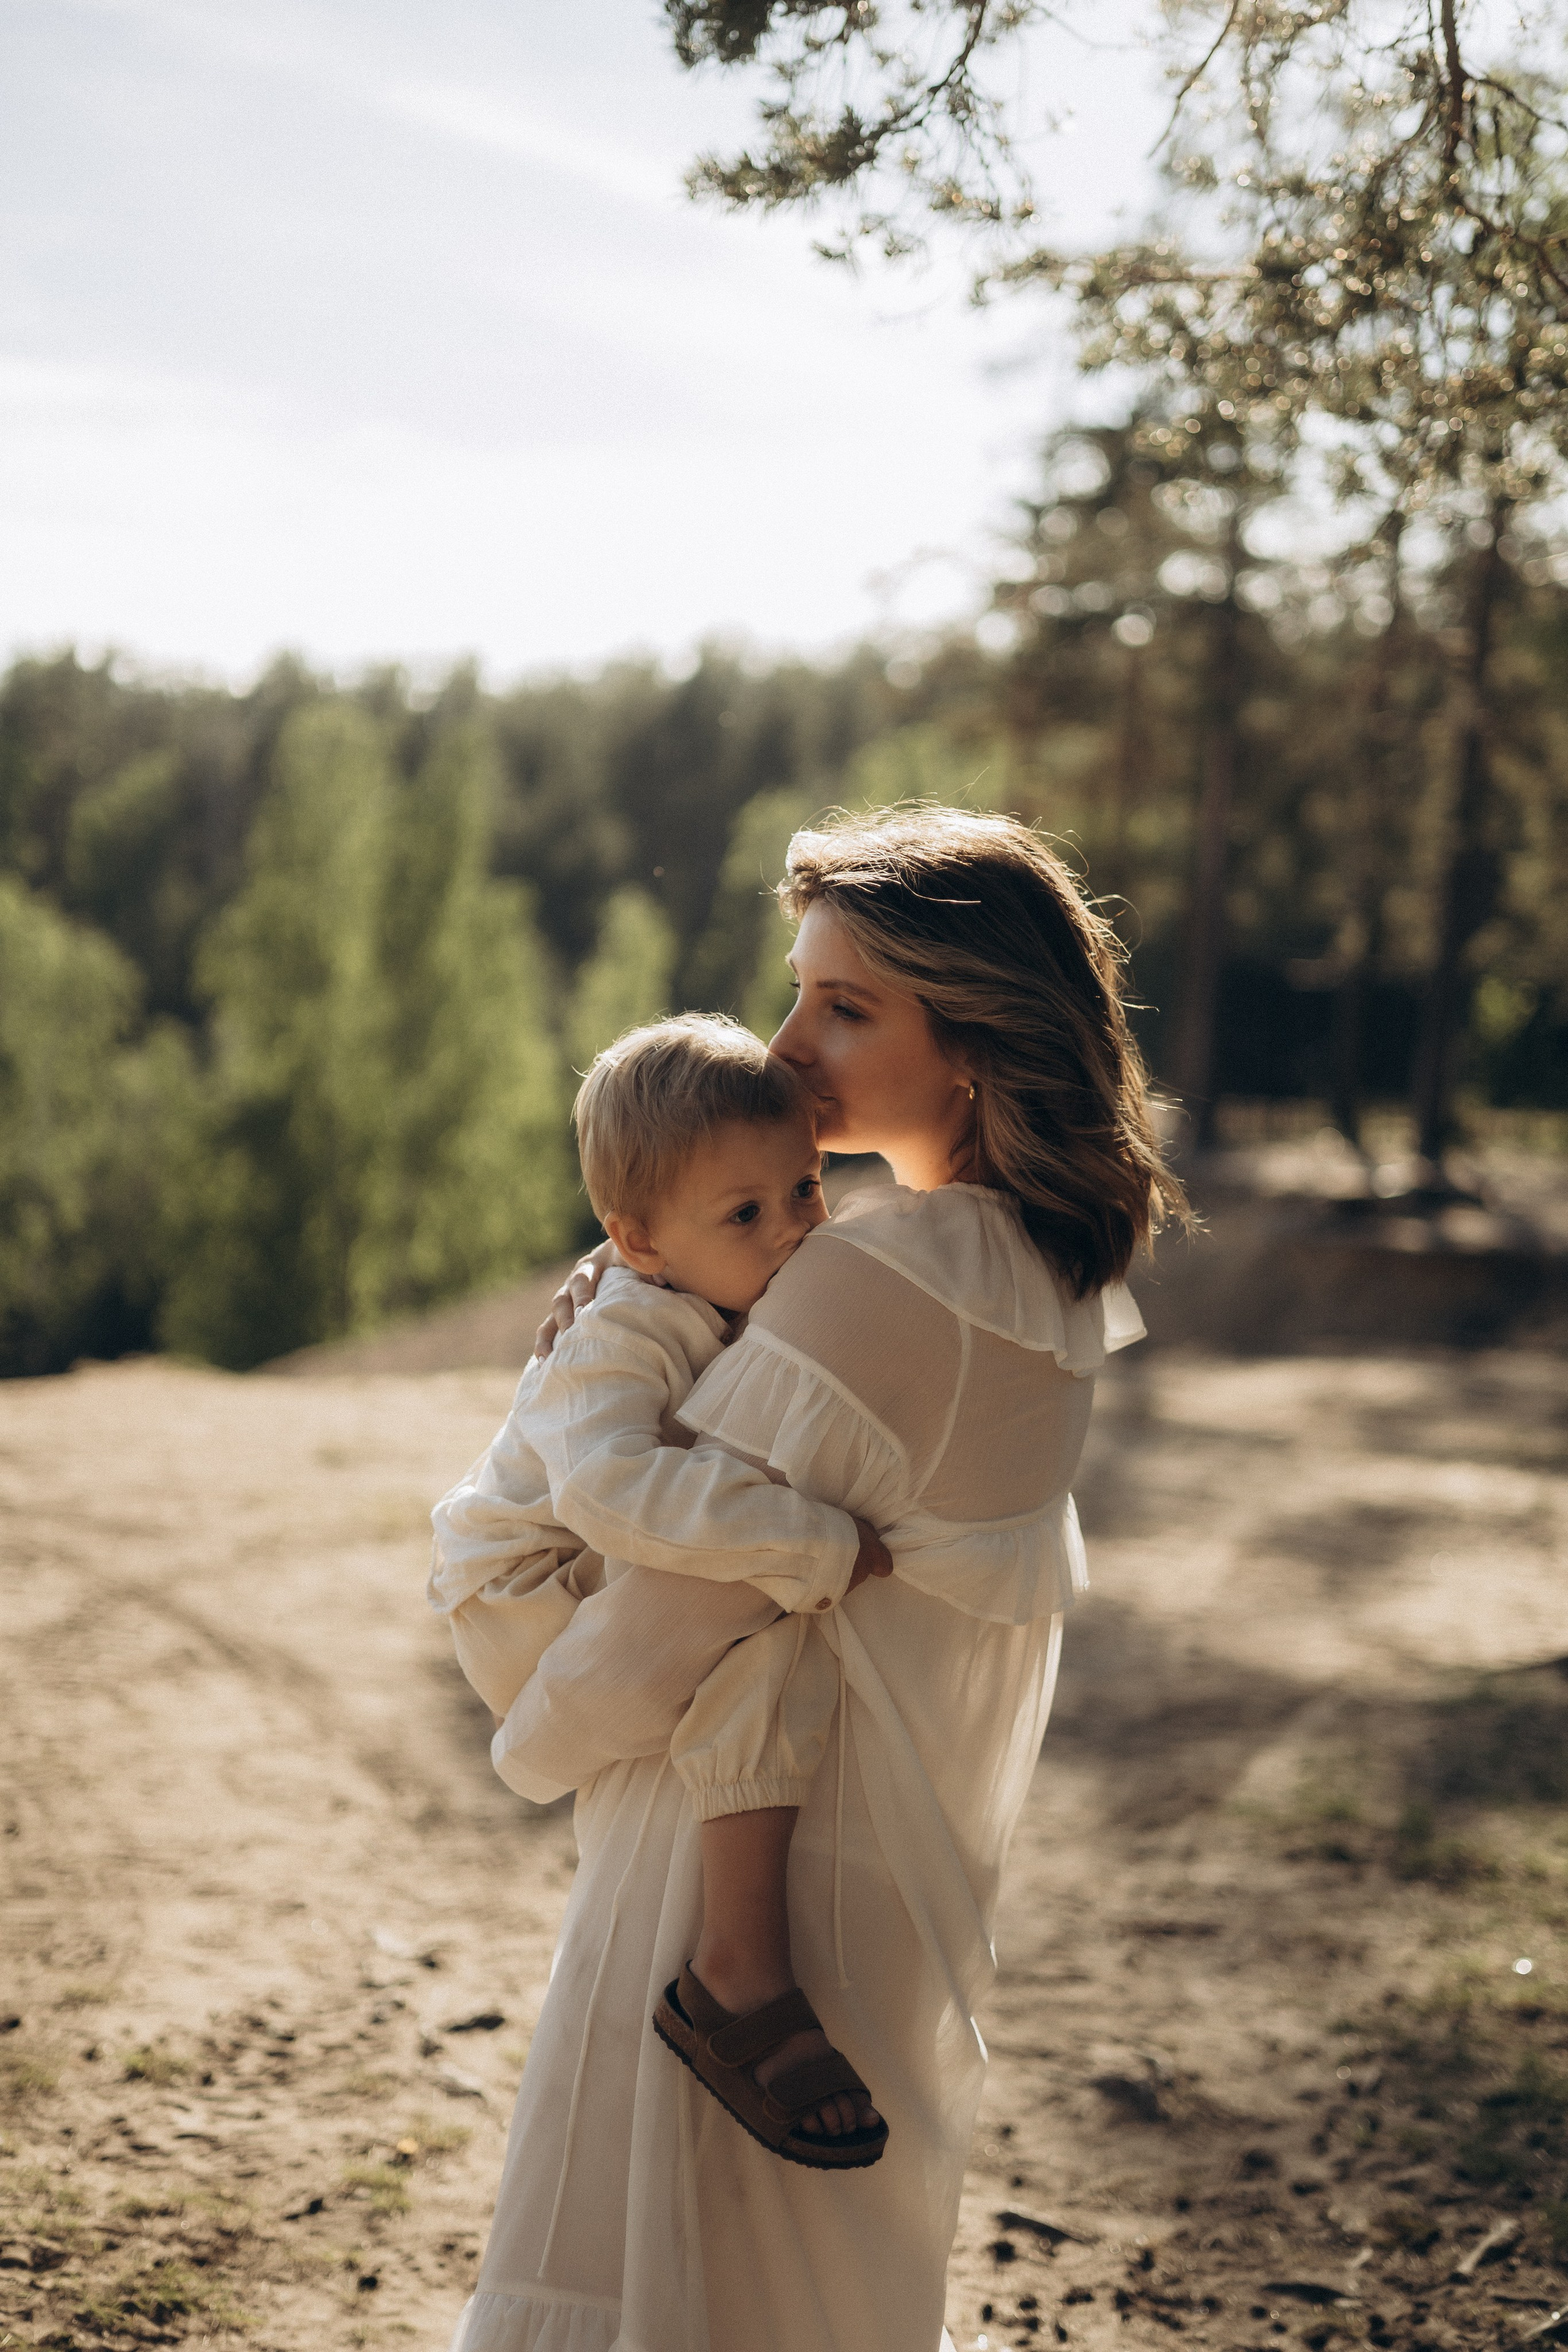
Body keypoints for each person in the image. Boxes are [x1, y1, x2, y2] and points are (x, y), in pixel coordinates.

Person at [448, 806, 1184, 2352]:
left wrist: (534, 1742)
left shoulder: (872, 1278)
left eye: (846, 1009)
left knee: (663, 2285)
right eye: (797, 996)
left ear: (975, 1042)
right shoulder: (1039, 1279)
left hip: (734, 1888)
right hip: (879, 1880)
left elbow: (666, 1612)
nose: (786, 1050)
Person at [429, 1014, 892, 2163]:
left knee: (766, 1643)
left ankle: (737, 1962)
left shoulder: (701, 1278)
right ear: (637, 1241)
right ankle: (741, 1970)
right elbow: (608, 1490)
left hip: (567, 1568)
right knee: (770, 1610)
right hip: (520, 1589)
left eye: (806, 1189)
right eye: (747, 1215)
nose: (794, 1229)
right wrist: (813, 1541)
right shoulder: (621, 1327)